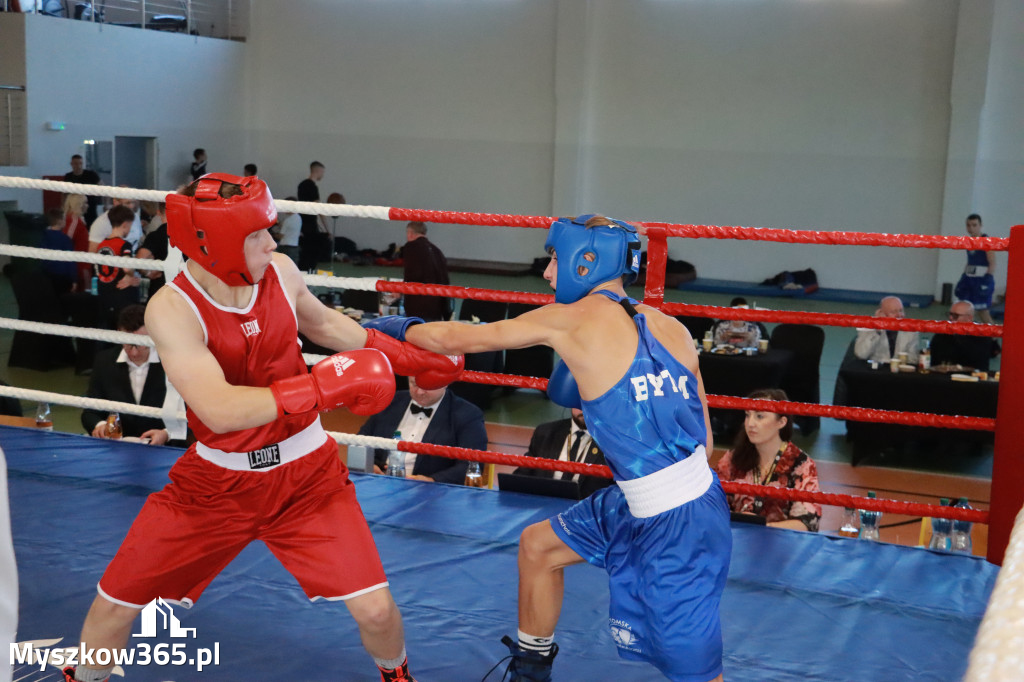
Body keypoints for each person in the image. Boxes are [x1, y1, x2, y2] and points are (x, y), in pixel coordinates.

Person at [59, 172, 462, 682]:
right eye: (256, 234)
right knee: (113, 605)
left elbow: (324, 324)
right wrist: (322, 388)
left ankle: (398, 676)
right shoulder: (173, 308)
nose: (271, 241)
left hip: (307, 477)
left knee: (378, 611)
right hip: (215, 485)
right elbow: (221, 410)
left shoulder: (280, 269)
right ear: (216, 242)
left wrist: (406, 357)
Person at [400, 214, 731, 682]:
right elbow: (707, 440)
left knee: (695, 672)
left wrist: (394, 328)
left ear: (585, 260)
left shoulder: (570, 320)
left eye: (555, 258)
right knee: (538, 546)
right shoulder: (670, 326)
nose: (549, 272)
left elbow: (459, 337)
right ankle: (530, 673)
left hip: (678, 524)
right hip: (658, 499)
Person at [713, 389, 821, 532]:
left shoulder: (802, 464)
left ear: (781, 422)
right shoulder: (732, 458)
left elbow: (808, 522)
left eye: (759, 416)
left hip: (782, 546)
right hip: (737, 541)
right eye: (747, 415)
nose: (750, 423)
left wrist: (760, 527)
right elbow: (712, 506)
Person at [358, 376, 487, 484]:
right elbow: (361, 440)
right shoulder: (391, 401)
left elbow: (472, 464)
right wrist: (370, 465)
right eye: (413, 384)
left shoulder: (468, 414)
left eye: (427, 386)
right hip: (378, 483)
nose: (419, 391)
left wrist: (432, 480)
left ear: (446, 382)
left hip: (433, 495)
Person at [80, 304, 176, 445]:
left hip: (164, 449)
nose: (134, 352)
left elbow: (192, 413)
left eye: (140, 343)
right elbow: (90, 411)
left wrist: (167, 434)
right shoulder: (105, 360)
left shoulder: (174, 362)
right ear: (119, 333)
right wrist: (99, 425)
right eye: (128, 344)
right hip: (117, 447)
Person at [513, 408, 613, 499]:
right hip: (541, 505)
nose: (583, 409)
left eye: (587, 404)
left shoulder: (612, 442)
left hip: (585, 513)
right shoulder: (545, 432)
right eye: (577, 403)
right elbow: (521, 475)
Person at [94, 205, 141, 329]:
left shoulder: (101, 245)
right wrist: (131, 275)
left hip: (104, 296)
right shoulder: (124, 245)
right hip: (122, 298)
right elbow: (127, 267)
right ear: (125, 224)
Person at [929, 301, 1000, 371]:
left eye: (955, 316)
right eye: (950, 314)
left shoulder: (982, 335)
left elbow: (992, 354)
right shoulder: (941, 335)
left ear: (969, 318)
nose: (950, 318)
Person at [402, 221, 451, 321]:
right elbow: (445, 280)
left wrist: (401, 289)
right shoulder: (437, 251)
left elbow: (412, 274)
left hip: (418, 304)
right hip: (437, 306)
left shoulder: (411, 247)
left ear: (410, 233)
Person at [954, 214, 996, 325]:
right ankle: (963, 339)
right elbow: (970, 261)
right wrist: (963, 276)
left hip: (981, 280)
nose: (971, 228)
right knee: (962, 310)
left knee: (983, 313)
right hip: (969, 279)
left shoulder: (986, 241)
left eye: (974, 225)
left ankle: (994, 340)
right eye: (968, 225)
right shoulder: (968, 241)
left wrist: (987, 279)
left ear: (980, 225)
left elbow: (992, 262)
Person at [853, 295, 919, 364]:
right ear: (882, 314)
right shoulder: (867, 326)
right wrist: (878, 331)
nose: (899, 315)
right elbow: (861, 354)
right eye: (894, 312)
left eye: (901, 310)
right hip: (875, 371)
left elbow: (913, 360)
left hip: (900, 370)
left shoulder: (911, 330)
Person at [135, 201, 169, 297]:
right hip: (185, 286)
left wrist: (148, 273)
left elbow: (140, 258)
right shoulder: (190, 233)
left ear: (158, 213)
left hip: (160, 287)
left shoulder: (156, 235)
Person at [297, 161, 326, 271]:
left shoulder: (301, 185)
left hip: (303, 224)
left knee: (305, 253)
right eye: (322, 172)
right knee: (312, 254)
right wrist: (326, 228)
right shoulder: (312, 186)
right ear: (318, 171)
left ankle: (303, 277)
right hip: (310, 226)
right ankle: (309, 277)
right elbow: (318, 208)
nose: (322, 175)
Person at [42, 208, 78, 294]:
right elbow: (71, 261)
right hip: (63, 275)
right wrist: (74, 279)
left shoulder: (44, 236)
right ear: (60, 221)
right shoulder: (65, 239)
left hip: (47, 274)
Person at [62, 194, 93, 292]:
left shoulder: (74, 220)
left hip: (79, 264)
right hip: (80, 266)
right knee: (85, 293)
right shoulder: (74, 221)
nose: (88, 206)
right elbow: (66, 241)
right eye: (85, 203)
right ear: (79, 204)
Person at [63, 154, 101, 224]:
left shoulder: (91, 175)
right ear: (72, 164)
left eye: (80, 163)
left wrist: (106, 204)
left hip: (91, 207)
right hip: (75, 209)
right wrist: (63, 207)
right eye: (76, 163)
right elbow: (64, 194)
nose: (79, 166)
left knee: (91, 226)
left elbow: (103, 188)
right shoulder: (68, 177)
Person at [272, 195, 302, 265]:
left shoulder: (287, 220)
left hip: (285, 248)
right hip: (295, 247)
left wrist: (272, 235)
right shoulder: (298, 218)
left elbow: (280, 236)